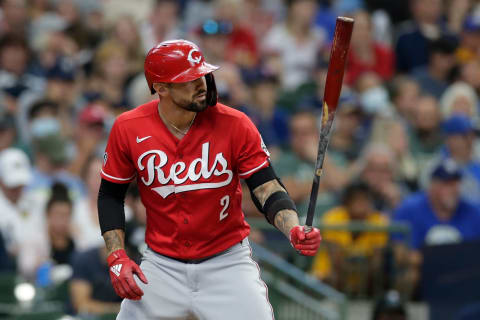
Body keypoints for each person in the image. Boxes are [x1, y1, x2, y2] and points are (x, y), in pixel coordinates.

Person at [97, 39, 321, 319]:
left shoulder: (236, 123)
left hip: (226, 262)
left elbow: (267, 187)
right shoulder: (128, 127)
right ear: (161, 88)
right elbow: (110, 195)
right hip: (162, 265)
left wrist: (292, 228)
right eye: (189, 79)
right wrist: (116, 256)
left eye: (202, 74)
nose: (202, 83)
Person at [392, 159, 480, 295]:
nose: (453, 190)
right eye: (447, 184)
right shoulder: (409, 209)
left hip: (463, 275)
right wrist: (435, 260)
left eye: (456, 183)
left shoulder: (473, 211)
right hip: (423, 272)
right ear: (432, 186)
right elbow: (399, 253)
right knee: (409, 275)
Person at [311, 182, 388, 295]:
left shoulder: (378, 221)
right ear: (347, 202)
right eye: (357, 200)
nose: (362, 205)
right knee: (328, 278)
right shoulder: (333, 218)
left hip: (364, 279)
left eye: (365, 200)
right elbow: (335, 261)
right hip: (330, 275)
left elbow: (376, 262)